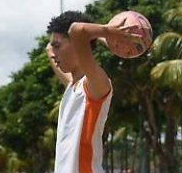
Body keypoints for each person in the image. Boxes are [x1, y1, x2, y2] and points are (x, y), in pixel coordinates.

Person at [46, 10, 139, 173]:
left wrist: (108, 33)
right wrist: (104, 39)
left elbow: (76, 30)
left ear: (75, 44)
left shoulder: (94, 86)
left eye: (58, 46)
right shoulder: (71, 87)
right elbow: (50, 48)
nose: (53, 54)